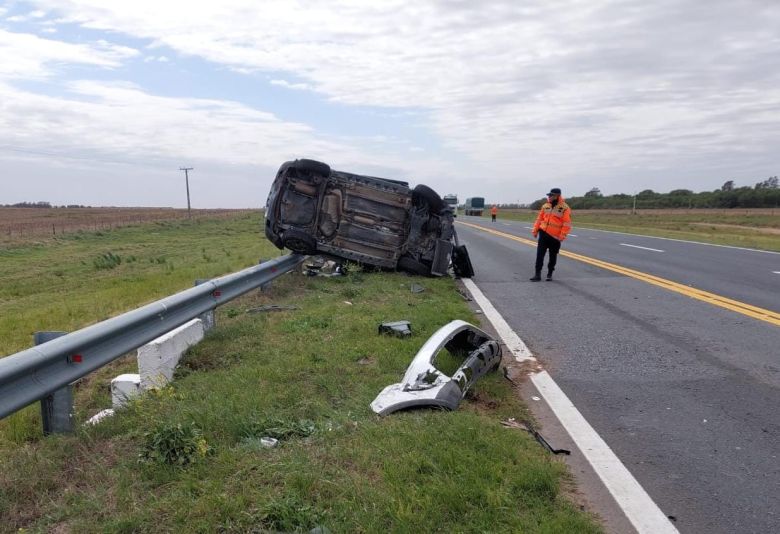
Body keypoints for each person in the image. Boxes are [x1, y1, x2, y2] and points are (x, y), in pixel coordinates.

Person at [530, 188, 572, 281]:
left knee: (553, 256)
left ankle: (550, 274)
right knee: (539, 255)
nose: (549, 197)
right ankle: (537, 275)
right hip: (543, 234)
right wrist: (535, 230)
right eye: (549, 195)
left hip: (555, 237)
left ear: (557, 196)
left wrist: (562, 235)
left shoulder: (564, 208)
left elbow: (567, 223)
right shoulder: (545, 206)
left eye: (551, 195)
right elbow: (539, 219)